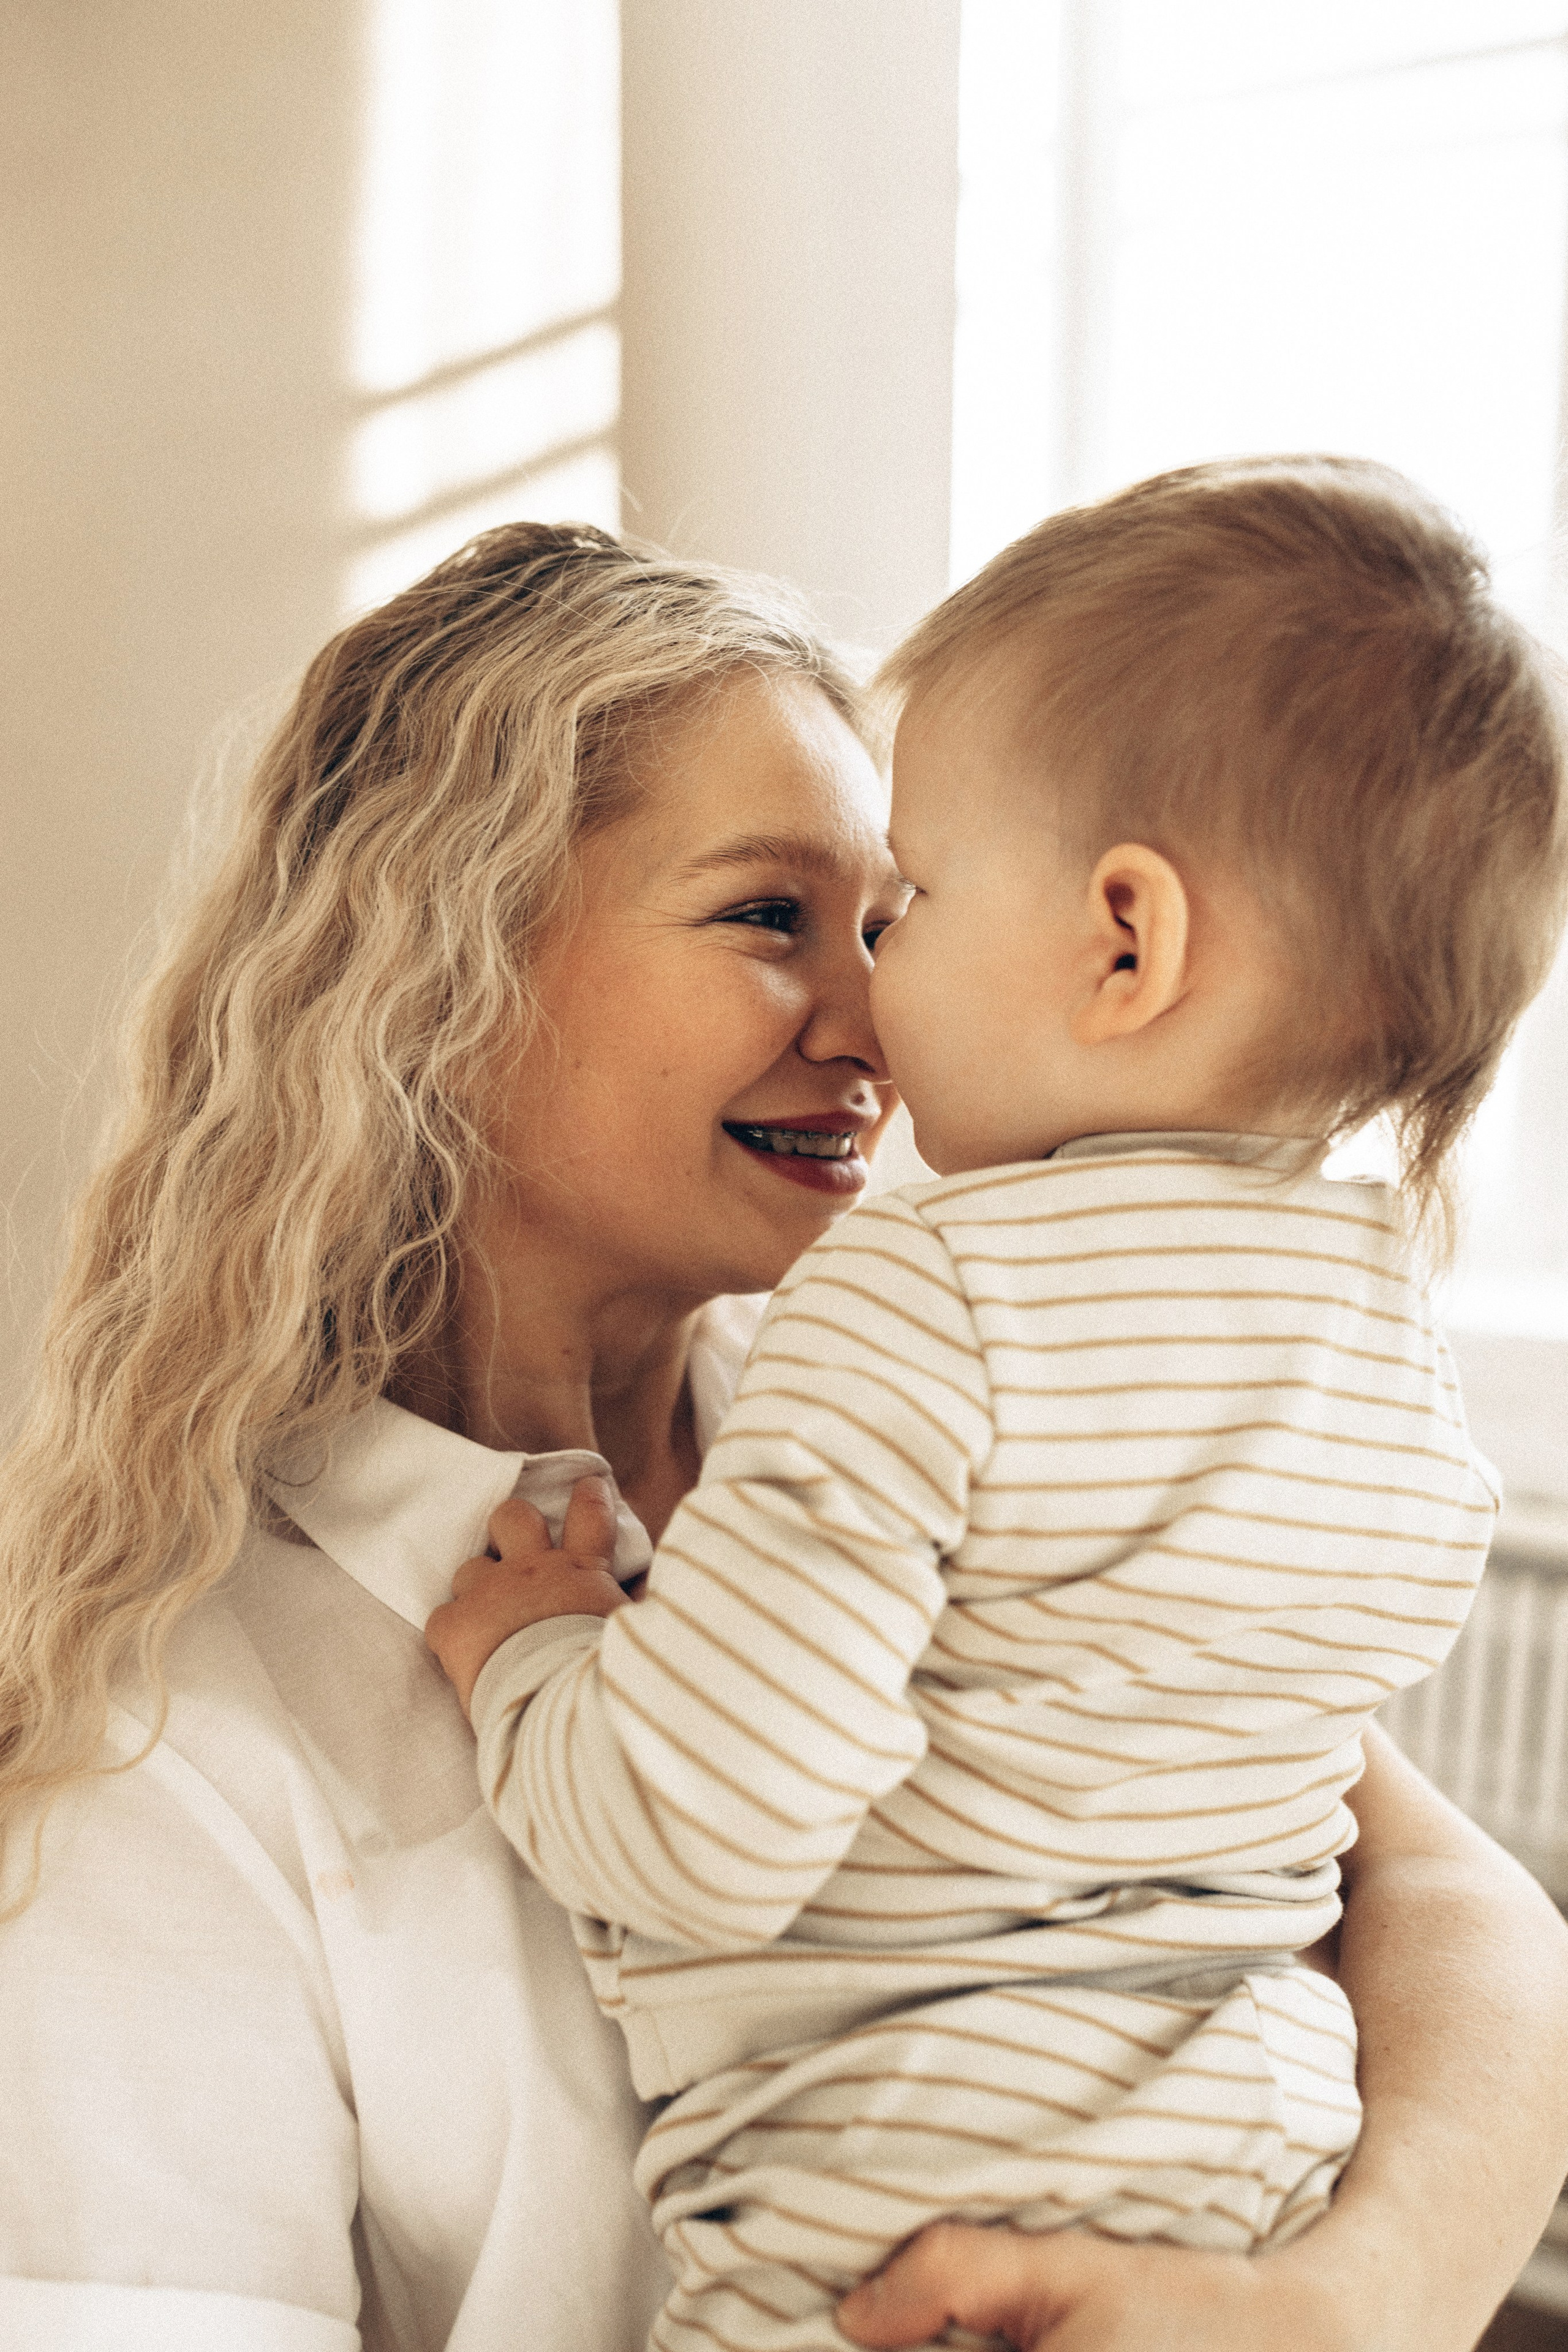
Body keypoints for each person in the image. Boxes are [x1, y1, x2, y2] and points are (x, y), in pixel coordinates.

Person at [0, 519, 1561, 2352]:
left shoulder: (929, 1417)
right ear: (435, 971)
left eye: (896, 913)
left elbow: (1459, 1902)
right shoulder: (159, 1752)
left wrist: (1349, 2305)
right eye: (770, 918)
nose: (876, 1017)